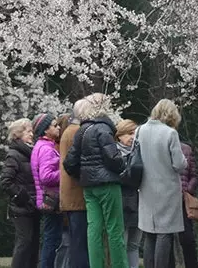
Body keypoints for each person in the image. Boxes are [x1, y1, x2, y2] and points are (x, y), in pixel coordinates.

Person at [74, 95, 128, 268]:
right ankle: (119, 265)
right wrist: (123, 163)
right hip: (107, 184)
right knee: (114, 230)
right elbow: (113, 158)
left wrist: (83, 174)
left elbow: (70, 161)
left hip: (88, 185)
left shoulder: (81, 131)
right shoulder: (103, 129)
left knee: (94, 230)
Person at [136, 100, 190, 268]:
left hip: (145, 188)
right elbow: (179, 164)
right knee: (164, 234)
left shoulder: (139, 130)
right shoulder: (170, 133)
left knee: (149, 233)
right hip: (167, 190)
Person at [2, 118, 41, 268]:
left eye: (32, 131)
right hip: (22, 207)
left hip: (33, 206)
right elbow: (6, 181)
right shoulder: (14, 155)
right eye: (28, 131)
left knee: (33, 245)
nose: (32, 134)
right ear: (18, 134)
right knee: (24, 243)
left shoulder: (30, 152)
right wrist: (23, 197)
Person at [33, 114, 67, 268]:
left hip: (47, 200)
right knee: (52, 240)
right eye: (54, 125)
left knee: (50, 238)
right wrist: (65, 173)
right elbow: (46, 177)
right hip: (52, 200)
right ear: (45, 130)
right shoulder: (46, 149)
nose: (58, 127)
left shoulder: (41, 146)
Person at [61, 100, 91, 268]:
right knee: (79, 243)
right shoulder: (75, 133)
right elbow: (73, 164)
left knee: (77, 242)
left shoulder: (70, 131)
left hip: (72, 197)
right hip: (77, 197)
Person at [115, 119, 143, 268]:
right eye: (129, 133)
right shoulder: (113, 154)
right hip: (122, 202)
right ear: (119, 135)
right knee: (122, 243)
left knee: (134, 244)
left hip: (139, 202)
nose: (132, 137)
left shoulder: (139, 152)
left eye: (134, 133)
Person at [178, 136, 198, 268]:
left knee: (188, 239)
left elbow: (194, 175)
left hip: (183, 200)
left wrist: (188, 189)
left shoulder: (186, 149)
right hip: (166, 199)